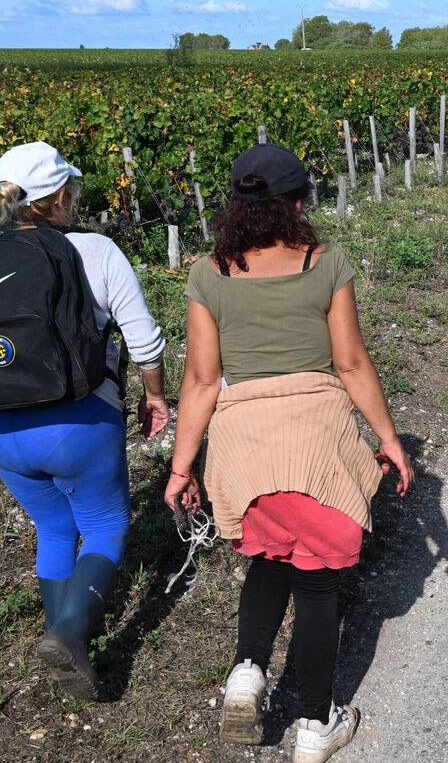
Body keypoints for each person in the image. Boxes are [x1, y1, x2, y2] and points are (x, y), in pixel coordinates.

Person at [166, 143, 413, 762]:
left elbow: (201, 381)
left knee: (270, 559)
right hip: (317, 446)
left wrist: (181, 467)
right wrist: (388, 438)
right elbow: (350, 363)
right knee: (319, 584)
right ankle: (314, 725)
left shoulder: (209, 273)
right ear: (297, 205)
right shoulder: (325, 264)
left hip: (243, 452)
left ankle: (246, 675)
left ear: (236, 207)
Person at [0, 141, 169, 700]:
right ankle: (70, 633)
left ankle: (64, 647)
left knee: (52, 529)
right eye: (70, 190)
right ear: (57, 198)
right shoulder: (93, 249)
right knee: (105, 524)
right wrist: (154, 397)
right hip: (77, 423)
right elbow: (144, 342)